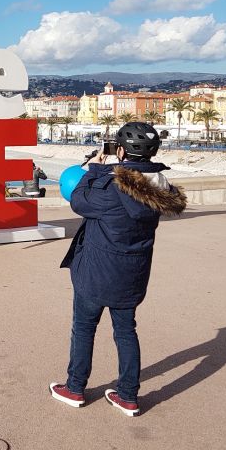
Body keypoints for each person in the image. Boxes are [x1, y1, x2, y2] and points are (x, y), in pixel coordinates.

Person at [49, 122, 186, 416]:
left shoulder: (110, 188)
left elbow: (79, 200)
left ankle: (75, 388)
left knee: (84, 329)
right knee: (126, 331)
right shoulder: (160, 188)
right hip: (132, 274)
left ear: (121, 150)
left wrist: (94, 169)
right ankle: (127, 395)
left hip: (96, 272)